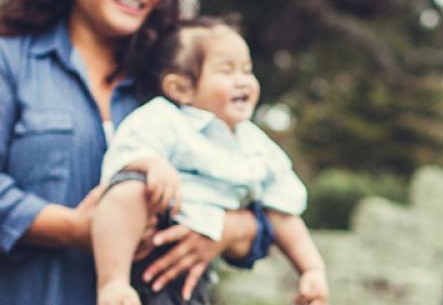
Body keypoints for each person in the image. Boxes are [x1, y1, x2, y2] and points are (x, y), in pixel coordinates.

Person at [0, 0, 269, 304]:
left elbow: (258, 193)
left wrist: (221, 232)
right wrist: (73, 227)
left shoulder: (175, 85)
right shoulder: (11, 62)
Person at [93, 16, 329, 305]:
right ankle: (112, 284)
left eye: (247, 69)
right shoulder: (165, 118)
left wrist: (311, 269)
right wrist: (152, 164)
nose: (243, 80)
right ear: (181, 89)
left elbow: (282, 212)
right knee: (128, 189)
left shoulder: (258, 147)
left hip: (193, 267)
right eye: (226, 71)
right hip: (144, 241)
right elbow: (125, 152)